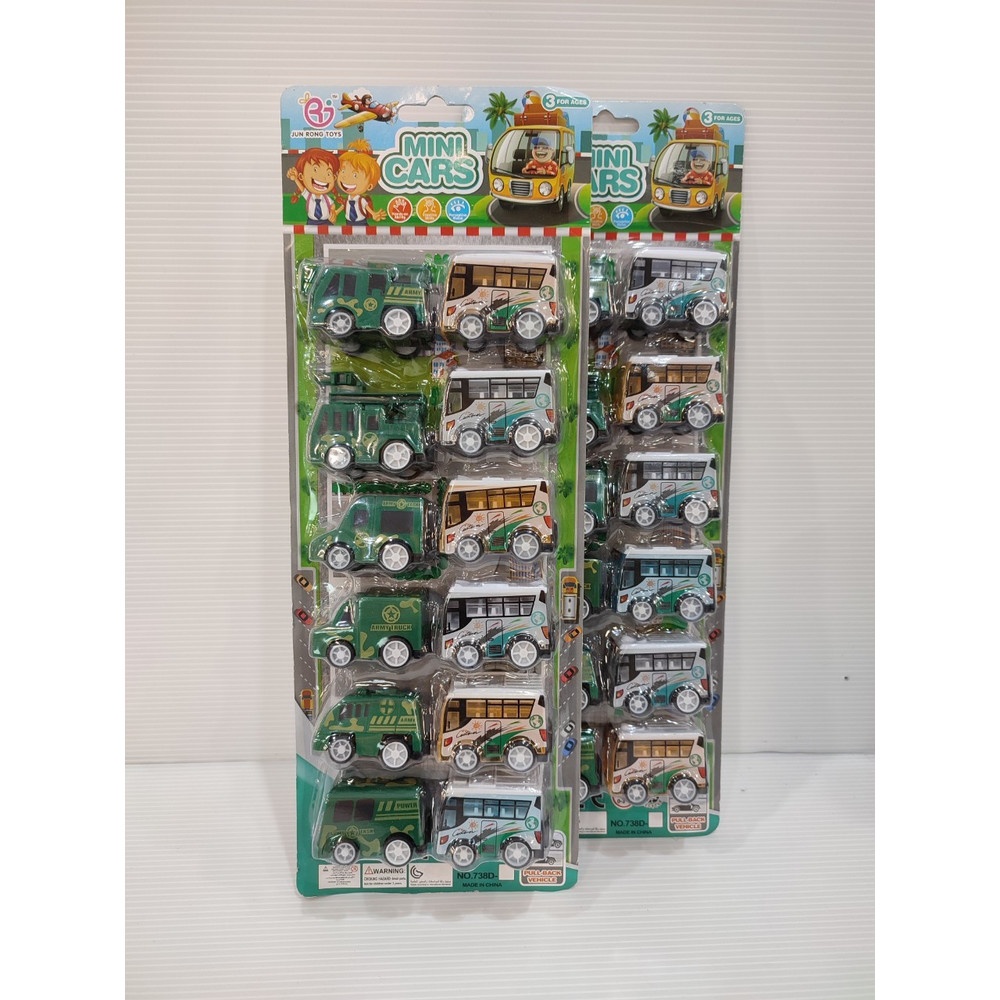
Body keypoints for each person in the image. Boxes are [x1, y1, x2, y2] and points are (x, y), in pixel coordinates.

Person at [335, 140, 387, 223]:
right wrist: (336, 212)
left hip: (361, 223)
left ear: (369, 186)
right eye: (343, 171)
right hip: (348, 222)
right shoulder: (347, 199)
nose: (346, 177)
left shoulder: (361, 200)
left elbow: (367, 208)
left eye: (355, 175)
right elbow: (343, 206)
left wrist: (374, 214)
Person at [286, 149, 341, 224]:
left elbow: (332, 205)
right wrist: (295, 179)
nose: (322, 177)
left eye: (328, 173)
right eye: (315, 170)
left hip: (326, 222)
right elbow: (302, 189)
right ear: (301, 176)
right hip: (311, 222)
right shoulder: (309, 196)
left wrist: (332, 211)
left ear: (334, 178)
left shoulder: (326, 198)